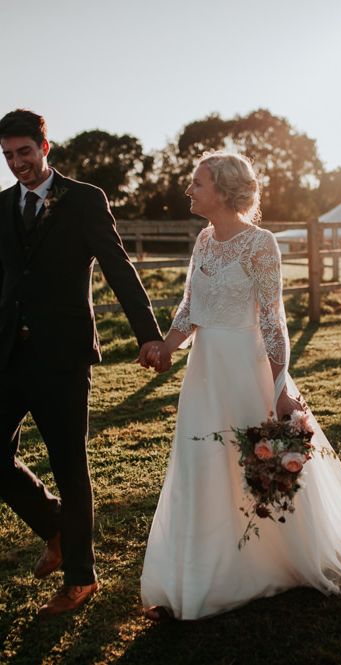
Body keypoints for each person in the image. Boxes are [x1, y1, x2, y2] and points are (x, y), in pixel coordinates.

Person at [140, 151, 341, 621]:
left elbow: (273, 322)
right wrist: (168, 347)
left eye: (198, 183)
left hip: (248, 370)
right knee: (201, 466)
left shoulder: (261, 244)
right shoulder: (204, 242)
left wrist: (279, 389)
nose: (189, 190)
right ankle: (196, 582)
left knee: (260, 469)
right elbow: (190, 308)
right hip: (205, 373)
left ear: (226, 191)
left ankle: (272, 561)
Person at [0, 109, 165, 617]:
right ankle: (54, 527)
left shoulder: (85, 199)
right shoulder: (2, 206)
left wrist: (148, 335)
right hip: (7, 354)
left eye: (24, 152)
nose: (17, 164)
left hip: (63, 355)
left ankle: (80, 577)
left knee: (71, 465)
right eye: (7, 156)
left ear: (45, 147)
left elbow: (118, 264)